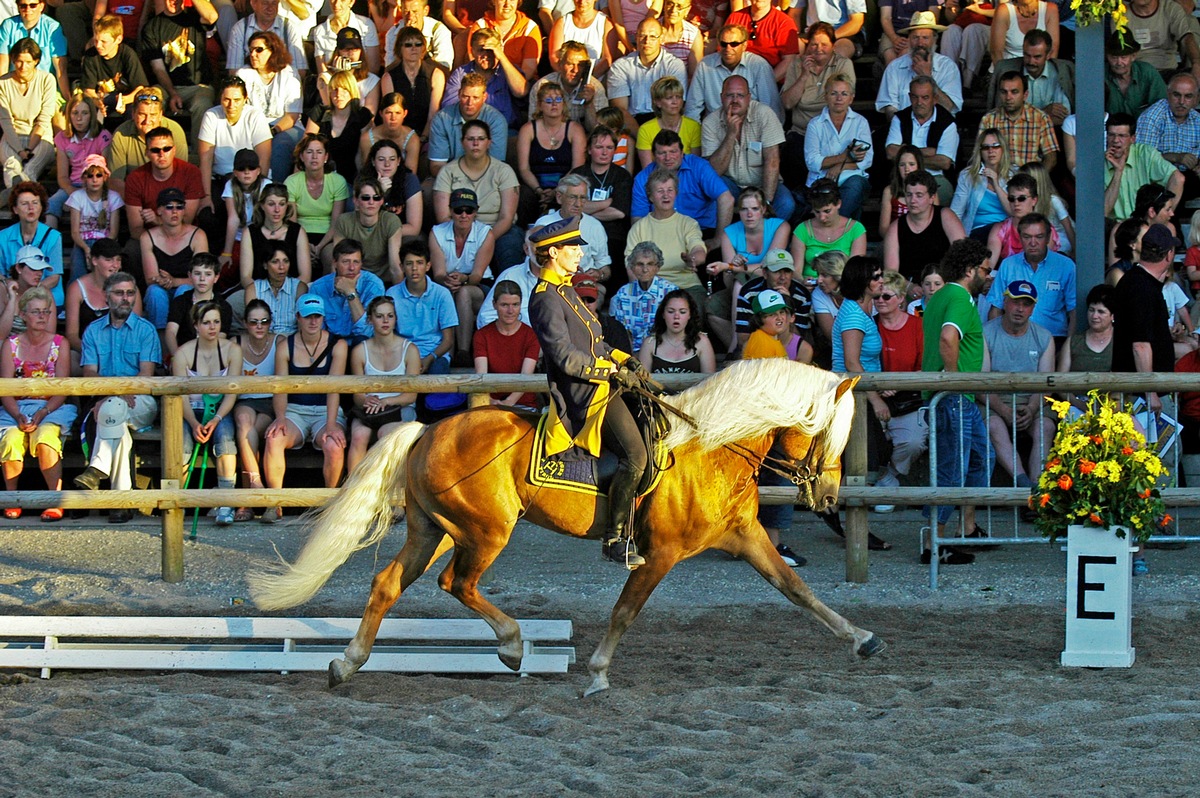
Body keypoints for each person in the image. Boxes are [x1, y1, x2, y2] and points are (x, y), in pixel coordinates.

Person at [527, 216, 648, 568]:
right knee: (636, 455)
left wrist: (625, 360)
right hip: (583, 396)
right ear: (552, 252)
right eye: (573, 248)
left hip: (601, 383)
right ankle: (615, 537)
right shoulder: (545, 299)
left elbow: (595, 342)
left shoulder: (566, 290)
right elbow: (564, 357)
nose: (580, 253)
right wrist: (607, 371)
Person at [921, 238, 993, 565]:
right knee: (951, 470)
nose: (988, 277)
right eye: (985, 270)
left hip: (957, 396)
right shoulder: (962, 299)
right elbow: (948, 337)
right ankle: (934, 542)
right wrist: (953, 379)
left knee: (982, 456)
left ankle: (967, 526)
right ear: (969, 270)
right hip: (955, 396)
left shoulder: (940, 296)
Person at [74, 272, 161, 525]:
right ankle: (121, 502)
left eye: (130, 293)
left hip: (141, 401)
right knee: (116, 424)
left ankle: (97, 468)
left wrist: (113, 394)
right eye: (119, 293)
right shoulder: (92, 331)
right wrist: (114, 395)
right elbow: (89, 374)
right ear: (106, 297)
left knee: (111, 409)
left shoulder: (146, 330)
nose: (126, 298)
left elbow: (145, 377)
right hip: (109, 403)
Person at [739, 287, 807, 566]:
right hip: (766, 423)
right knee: (777, 478)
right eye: (770, 314)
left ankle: (766, 543)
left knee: (771, 480)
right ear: (759, 318)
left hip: (766, 422)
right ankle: (771, 546)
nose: (777, 318)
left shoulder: (767, 341)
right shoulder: (762, 343)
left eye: (781, 312)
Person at [263, 294, 349, 512]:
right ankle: (275, 502)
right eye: (308, 316)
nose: (313, 321)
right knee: (274, 439)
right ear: (298, 318)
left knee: (334, 445)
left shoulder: (337, 344)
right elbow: (280, 386)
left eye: (317, 316)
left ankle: (330, 504)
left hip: (325, 410)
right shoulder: (286, 345)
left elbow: (334, 387)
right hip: (295, 410)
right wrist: (280, 417)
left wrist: (331, 424)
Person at [0, 287, 76, 522]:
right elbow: (5, 388)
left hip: (52, 405)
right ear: (23, 315)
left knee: (45, 437)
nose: (42, 316)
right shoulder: (10, 344)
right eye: (36, 312)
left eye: (46, 312)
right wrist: (18, 414)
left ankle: (54, 499)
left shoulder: (59, 343)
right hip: (16, 406)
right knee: (11, 438)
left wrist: (44, 411)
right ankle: (12, 499)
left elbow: (61, 389)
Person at [173, 300, 243, 526]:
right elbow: (180, 396)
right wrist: (193, 423)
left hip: (221, 409)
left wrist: (216, 419)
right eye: (206, 323)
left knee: (225, 439)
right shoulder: (183, 354)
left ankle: (226, 501)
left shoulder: (232, 350)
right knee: (182, 445)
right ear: (195, 325)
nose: (212, 327)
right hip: (189, 411)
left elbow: (232, 392)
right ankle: (178, 501)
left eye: (216, 322)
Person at [982, 279, 1055, 490]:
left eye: (1026, 304)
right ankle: (1023, 485)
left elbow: (1046, 383)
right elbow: (980, 383)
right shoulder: (985, 333)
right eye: (1015, 302)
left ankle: (1038, 487)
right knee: (993, 425)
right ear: (1005, 302)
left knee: (1046, 426)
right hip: (995, 400)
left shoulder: (1044, 337)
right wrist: (1003, 410)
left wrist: (1032, 408)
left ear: (1033, 308)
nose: (1019, 308)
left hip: (1031, 401)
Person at [432, 119, 523, 271]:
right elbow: (443, 217)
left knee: (510, 244)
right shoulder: (448, 172)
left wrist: (484, 240)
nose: (476, 143)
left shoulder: (503, 171)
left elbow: (507, 217)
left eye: (481, 139)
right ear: (462, 142)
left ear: (489, 143)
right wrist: (469, 239)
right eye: (470, 139)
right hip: (459, 230)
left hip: (497, 229)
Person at [872, 269, 928, 513]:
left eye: (887, 296)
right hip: (873, 395)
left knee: (914, 442)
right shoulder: (869, 325)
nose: (880, 301)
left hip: (909, 398)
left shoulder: (918, 326)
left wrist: (897, 383)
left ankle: (889, 477)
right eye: (877, 297)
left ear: (901, 299)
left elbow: (925, 368)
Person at [701, 75, 792, 223]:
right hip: (732, 185)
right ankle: (734, 239)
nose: (735, 100)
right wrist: (730, 134)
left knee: (786, 203)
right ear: (721, 97)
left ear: (749, 97)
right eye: (730, 95)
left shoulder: (764, 114)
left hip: (762, 184)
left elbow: (773, 160)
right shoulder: (710, 123)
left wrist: (766, 202)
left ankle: (764, 239)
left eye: (740, 95)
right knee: (713, 192)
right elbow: (714, 171)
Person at [347, 296, 421, 473]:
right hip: (369, 410)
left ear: (396, 319)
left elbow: (411, 396)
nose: (385, 321)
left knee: (386, 434)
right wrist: (367, 400)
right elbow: (357, 395)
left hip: (400, 408)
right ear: (370, 319)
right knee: (359, 435)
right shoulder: (359, 351)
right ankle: (352, 490)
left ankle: (388, 492)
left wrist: (386, 401)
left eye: (390, 316)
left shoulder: (410, 350)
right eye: (379, 316)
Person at [779, 22, 854, 188]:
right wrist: (804, 76)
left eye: (824, 44)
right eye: (814, 44)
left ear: (833, 46)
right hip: (802, 132)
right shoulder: (797, 65)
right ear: (807, 45)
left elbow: (843, 100)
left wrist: (807, 101)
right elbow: (788, 103)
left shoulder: (843, 64)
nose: (818, 49)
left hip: (832, 133)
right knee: (790, 153)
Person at [386, 240, 458, 403]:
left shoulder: (442, 294)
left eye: (419, 263)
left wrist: (429, 358)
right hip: (403, 353)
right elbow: (389, 333)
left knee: (438, 378)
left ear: (428, 266)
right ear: (402, 266)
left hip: (435, 354)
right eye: (409, 263)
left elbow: (448, 340)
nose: (414, 268)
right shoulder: (392, 294)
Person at [626, 169, 707, 311]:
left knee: (693, 310)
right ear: (650, 197)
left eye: (670, 190)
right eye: (660, 191)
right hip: (652, 288)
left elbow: (698, 249)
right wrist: (642, 293)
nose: (666, 195)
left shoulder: (688, 223)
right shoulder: (639, 228)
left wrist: (693, 259)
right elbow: (631, 265)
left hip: (687, 287)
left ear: (676, 193)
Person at [986, 212, 1076, 341]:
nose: (1033, 243)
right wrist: (996, 342)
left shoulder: (1066, 266)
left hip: (1054, 337)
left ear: (1048, 237)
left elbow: (1074, 312)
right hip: (1013, 337)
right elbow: (996, 308)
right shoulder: (1008, 265)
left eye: (1039, 237)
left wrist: (1067, 348)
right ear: (1020, 237)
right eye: (1027, 237)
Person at [141, 0, 218, 145]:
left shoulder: (195, 17)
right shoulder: (152, 27)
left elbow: (212, 17)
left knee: (203, 104)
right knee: (150, 100)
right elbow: (158, 68)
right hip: (165, 86)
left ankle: (198, 155)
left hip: (198, 87)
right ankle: (155, 149)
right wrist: (172, 93)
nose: (174, 1)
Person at [430, 187, 495, 358]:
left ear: (476, 213)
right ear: (451, 211)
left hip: (478, 285)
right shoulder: (437, 232)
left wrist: (463, 279)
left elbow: (477, 275)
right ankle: (447, 354)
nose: (463, 215)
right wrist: (449, 280)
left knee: (464, 292)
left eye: (469, 210)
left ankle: (463, 352)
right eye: (459, 210)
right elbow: (438, 274)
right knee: (446, 293)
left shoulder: (485, 233)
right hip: (447, 282)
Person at [231, 298, 279, 521]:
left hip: (271, 401)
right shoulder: (236, 343)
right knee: (244, 423)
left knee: (248, 435)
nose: (259, 326)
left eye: (264, 321)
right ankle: (256, 484)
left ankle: (247, 501)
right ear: (245, 323)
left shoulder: (280, 342)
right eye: (253, 322)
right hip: (245, 400)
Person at [632, 130, 733, 235]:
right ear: (653, 155)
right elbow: (638, 218)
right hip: (662, 234)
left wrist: (719, 239)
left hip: (702, 231)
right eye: (662, 153)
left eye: (673, 152)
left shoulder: (699, 166)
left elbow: (727, 199)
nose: (668, 158)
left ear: (682, 153)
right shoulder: (643, 178)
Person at [571, 125, 634, 294]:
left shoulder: (622, 175)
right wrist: (607, 202)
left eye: (609, 148)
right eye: (599, 147)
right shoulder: (577, 174)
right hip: (580, 231)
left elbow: (619, 212)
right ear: (590, 150)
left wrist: (584, 208)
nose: (605, 152)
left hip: (614, 234)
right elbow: (570, 207)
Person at [237, 30, 304, 182]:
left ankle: (274, 190)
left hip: (286, 127)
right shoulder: (243, 74)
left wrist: (272, 132)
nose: (253, 54)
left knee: (280, 145)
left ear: (273, 51)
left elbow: (291, 116)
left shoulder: (289, 74)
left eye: (259, 50)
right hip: (253, 127)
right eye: (251, 50)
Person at [803, 74, 872, 220]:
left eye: (844, 94)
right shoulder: (815, 124)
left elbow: (866, 160)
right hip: (821, 179)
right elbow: (813, 162)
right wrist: (844, 158)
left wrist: (841, 167)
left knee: (855, 187)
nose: (839, 98)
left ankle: (833, 230)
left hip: (852, 179)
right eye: (834, 93)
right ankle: (844, 235)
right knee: (851, 205)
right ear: (826, 96)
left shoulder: (860, 122)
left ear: (851, 98)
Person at [684, 21, 781, 122]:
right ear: (718, 44)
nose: (728, 48)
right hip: (715, 129)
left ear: (744, 45)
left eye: (734, 44)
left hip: (751, 128)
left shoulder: (759, 65)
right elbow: (692, 108)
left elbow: (771, 108)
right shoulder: (705, 65)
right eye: (723, 44)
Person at [884, 75, 959, 205]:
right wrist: (925, 152)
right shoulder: (900, 118)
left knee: (943, 191)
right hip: (903, 177)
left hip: (935, 178)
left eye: (925, 97)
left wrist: (906, 155)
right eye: (915, 97)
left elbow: (944, 162)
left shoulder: (947, 122)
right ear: (909, 97)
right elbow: (890, 152)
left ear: (935, 99)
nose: (919, 102)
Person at [517, 82, 588, 218]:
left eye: (558, 100)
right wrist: (539, 190)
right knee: (522, 194)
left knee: (572, 192)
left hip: (565, 184)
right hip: (535, 186)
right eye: (549, 100)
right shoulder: (528, 129)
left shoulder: (575, 130)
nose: (554, 104)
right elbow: (524, 168)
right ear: (539, 105)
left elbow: (577, 168)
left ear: (564, 104)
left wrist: (557, 191)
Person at [884, 170, 965, 288]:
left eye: (919, 195)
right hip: (910, 289)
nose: (912, 200)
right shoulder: (896, 227)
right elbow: (891, 273)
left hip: (944, 285)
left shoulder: (945, 216)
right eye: (909, 194)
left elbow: (962, 254)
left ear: (932, 197)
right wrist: (910, 287)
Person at [141, 187, 208, 330]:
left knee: (184, 290)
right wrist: (163, 281)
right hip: (162, 288)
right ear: (158, 210)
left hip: (188, 287)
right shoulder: (148, 237)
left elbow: (203, 277)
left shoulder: (197, 235)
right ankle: (161, 340)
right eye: (169, 207)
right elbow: (150, 278)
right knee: (154, 292)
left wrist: (174, 281)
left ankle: (184, 334)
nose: (175, 211)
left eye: (179, 207)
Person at [875, 12, 963, 119]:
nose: (920, 43)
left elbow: (948, 107)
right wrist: (905, 127)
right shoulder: (895, 67)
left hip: (938, 129)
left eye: (925, 38)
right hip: (904, 129)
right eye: (915, 37)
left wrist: (927, 76)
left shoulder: (948, 67)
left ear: (935, 40)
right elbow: (890, 107)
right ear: (909, 40)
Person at [64, 238, 141, 356]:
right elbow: (72, 335)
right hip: (87, 351)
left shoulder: (130, 288)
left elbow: (135, 328)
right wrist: (94, 353)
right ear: (94, 260)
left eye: (118, 260)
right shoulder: (76, 289)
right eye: (109, 260)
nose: (115, 265)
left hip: (123, 351)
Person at [607, 16, 688, 128]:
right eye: (642, 36)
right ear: (636, 37)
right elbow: (621, 111)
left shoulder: (674, 65)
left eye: (653, 36)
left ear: (661, 38)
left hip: (664, 122)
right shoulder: (620, 67)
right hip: (632, 124)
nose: (647, 41)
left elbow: (675, 106)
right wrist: (642, 137)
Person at [1103, 113, 1184, 222]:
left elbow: (1178, 179)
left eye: (1122, 136)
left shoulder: (1145, 154)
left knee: (1170, 229)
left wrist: (1161, 219)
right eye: (1111, 135)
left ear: (1133, 138)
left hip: (1145, 224)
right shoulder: (1099, 164)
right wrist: (1118, 171)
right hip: (1116, 227)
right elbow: (1104, 211)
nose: (1116, 140)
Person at [473, 279, 541, 411]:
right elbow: (481, 376)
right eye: (504, 305)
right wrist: (491, 400)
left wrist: (509, 402)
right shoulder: (482, 335)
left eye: (515, 304)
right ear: (494, 305)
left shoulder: (531, 336)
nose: (510, 310)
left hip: (523, 404)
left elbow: (526, 376)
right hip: (490, 402)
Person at [733, 247, 815, 354]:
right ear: (765, 273)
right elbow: (743, 339)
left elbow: (798, 340)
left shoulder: (801, 295)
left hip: (789, 352)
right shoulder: (749, 292)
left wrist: (787, 304)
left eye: (787, 271)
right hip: (758, 350)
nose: (783, 277)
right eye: (776, 271)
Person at [0, 37, 56, 191]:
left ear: (36, 61)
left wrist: (29, 149)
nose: (23, 66)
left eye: (28, 62)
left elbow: (44, 119)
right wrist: (19, 150)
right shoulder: (3, 83)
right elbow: (5, 121)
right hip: (13, 136)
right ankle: (24, 195)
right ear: (12, 60)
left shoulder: (47, 80)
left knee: (32, 167)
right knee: (11, 166)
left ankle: (16, 196)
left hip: (39, 136)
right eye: (19, 61)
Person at [48, 94, 112, 230]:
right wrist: (75, 194)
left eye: (84, 113)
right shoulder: (62, 138)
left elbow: (106, 174)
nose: (79, 118)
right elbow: (62, 177)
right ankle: (50, 244)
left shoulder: (103, 136)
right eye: (75, 113)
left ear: (91, 116)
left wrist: (85, 195)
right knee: (52, 203)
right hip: (73, 185)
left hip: (96, 183)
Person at [428, 72, 510, 176]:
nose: (470, 103)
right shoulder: (441, 119)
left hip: (486, 179)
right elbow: (437, 165)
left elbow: (496, 166)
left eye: (476, 97)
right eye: (465, 96)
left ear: (484, 97)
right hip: (450, 178)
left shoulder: (496, 121)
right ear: (458, 94)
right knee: (427, 188)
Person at [988, 27, 1073, 126]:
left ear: (1048, 55)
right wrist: (1045, 112)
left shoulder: (1062, 71)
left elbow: (1062, 118)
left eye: (1037, 57)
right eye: (1027, 55)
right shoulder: (1005, 69)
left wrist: (1023, 118)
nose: (1031, 61)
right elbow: (1003, 117)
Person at [1137, 73, 1200, 204]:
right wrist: (1176, 157)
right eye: (1176, 95)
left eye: (1188, 96)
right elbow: (1143, 161)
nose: (1181, 102)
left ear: (1196, 99)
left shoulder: (1197, 119)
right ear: (1168, 93)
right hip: (1157, 180)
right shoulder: (1152, 117)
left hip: (1189, 179)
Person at [444, 27, 523, 132]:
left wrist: (502, 57)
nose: (486, 55)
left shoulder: (510, 71)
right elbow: (449, 108)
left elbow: (521, 92)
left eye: (490, 50)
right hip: (468, 132)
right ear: (472, 51)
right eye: (481, 50)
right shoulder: (460, 74)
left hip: (506, 131)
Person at [309, 239, 386, 344]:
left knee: (361, 340)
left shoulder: (373, 285)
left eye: (356, 262)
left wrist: (350, 292)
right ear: (335, 263)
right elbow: (317, 332)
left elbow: (366, 333)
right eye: (346, 262)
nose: (352, 268)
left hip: (362, 347)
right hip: (330, 345)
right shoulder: (318, 288)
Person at [305, 70, 375, 186]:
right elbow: (306, 148)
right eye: (334, 89)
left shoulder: (363, 116)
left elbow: (363, 155)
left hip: (351, 179)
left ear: (352, 91)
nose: (338, 94)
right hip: (320, 177)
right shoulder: (319, 112)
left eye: (344, 90)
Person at [284, 133, 349, 257]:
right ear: (302, 157)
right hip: (299, 235)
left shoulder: (338, 181)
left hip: (328, 237)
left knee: (330, 257)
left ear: (325, 157)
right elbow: (292, 223)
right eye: (309, 152)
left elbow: (337, 223)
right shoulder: (291, 182)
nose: (314, 157)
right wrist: (305, 245)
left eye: (319, 152)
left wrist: (319, 247)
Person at [80, 14, 148, 132]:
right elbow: (88, 90)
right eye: (96, 40)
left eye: (104, 42)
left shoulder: (128, 55)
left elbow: (140, 88)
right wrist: (97, 101)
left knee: (133, 111)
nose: (98, 45)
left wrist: (123, 100)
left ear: (118, 39)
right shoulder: (91, 56)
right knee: (93, 111)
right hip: (102, 98)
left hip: (127, 98)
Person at [380, 25, 446, 146]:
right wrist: (407, 141)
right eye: (408, 45)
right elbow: (391, 115)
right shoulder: (388, 78)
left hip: (429, 136)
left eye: (418, 44)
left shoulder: (436, 75)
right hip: (399, 137)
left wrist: (423, 138)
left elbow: (433, 114)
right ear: (399, 49)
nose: (414, 48)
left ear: (423, 48)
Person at [980, 71, 1058, 172]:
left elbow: (1051, 158)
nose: (1008, 97)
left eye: (1014, 92)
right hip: (998, 178)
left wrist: (1037, 180)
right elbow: (980, 154)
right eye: (1004, 92)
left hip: (1030, 180)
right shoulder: (988, 119)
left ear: (1025, 95)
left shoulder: (1041, 118)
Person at [0, 182, 63, 309]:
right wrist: (10, 285)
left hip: (45, 294)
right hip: (13, 294)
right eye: (24, 204)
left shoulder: (54, 236)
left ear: (41, 207)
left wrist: (30, 294)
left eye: (35, 203)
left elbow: (54, 277)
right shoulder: (3, 236)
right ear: (15, 209)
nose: (31, 207)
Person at [790, 179, 867, 281]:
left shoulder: (856, 229)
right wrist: (803, 283)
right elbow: (796, 271)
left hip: (843, 287)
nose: (822, 217)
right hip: (812, 287)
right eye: (817, 212)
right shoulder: (802, 229)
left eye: (827, 211)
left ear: (838, 203)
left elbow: (855, 270)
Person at [330, 176, 404, 281]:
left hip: (384, 280)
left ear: (382, 201)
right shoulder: (344, 221)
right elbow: (337, 263)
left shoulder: (391, 221)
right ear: (355, 200)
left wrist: (397, 295)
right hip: (354, 278)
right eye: (365, 198)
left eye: (376, 197)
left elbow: (395, 267)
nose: (371, 202)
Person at [241, 183, 312, 290]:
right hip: (258, 291)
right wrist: (264, 292)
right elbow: (246, 277)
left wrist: (286, 292)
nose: (277, 210)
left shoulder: (297, 231)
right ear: (262, 206)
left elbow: (305, 276)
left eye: (282, 204)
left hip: (291, 290)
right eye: (271, 204)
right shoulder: (250, 232)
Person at [610, 241, 678, 351]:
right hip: (633, 353)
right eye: (640, 264)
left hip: (664, 352)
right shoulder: (623, 294)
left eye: (650, 264)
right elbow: (623, 333)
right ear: (632, 267)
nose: (645, 269)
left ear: (658, 267)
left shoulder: (670, 292)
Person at [527, 39, 609, 131]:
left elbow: (599, 132)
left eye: (581, 65)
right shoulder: (542, 86)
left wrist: (589, 104)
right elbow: (533, 127)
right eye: (570, 64)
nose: (575, 70)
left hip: (585, 141)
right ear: (560, 64)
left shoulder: (596, 88)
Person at [64, 155, 122, 284]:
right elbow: (75, 232)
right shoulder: (77, 197)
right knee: (77, 276)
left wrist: (99, 250)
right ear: (84, 178)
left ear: (105, 177)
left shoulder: (114, 197)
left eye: (99, 175)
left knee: (109, 278)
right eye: (90, 176)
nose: (94, 180)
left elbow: (113, 233)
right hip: (82, 243)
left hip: (106, 243)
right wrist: (86, 249)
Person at [165, 253, 234, 357]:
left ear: (216, 277)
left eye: (208, 274)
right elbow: (171, 332)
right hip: (183, 354)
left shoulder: (224, 306)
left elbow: (220, 337)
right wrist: (177, 357)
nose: (202, 279)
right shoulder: (180, 301)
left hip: (211, 356)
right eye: (197, 273)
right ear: (190, 276)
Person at [951, 127, 1013, 239]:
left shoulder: (1013, 175)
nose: (991, 151)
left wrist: (996, 184)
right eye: (985, 147)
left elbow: (1014, 211)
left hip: (1006, 234)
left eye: (996, 145)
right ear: (980, 151)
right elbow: (956, 212)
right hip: (978, 233)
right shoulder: (968, 175)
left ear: (1003, 148)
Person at [0, 0, 68, 100]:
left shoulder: (52, 27)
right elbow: (3, 65)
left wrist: (67, 98)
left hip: (44, 88)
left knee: (59, 115)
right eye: (23, 6)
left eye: (33, 5)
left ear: (41, 6)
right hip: (15, 86)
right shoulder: (7, 25)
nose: (28, 9)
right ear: (18, 7)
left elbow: (60, 68)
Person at [637, 287, 715, 374]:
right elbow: (641, 383)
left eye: (682, 312)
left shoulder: (702, 342)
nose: (676, 316)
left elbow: (710, 381)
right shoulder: (650, 343)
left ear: (690, 315)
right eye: (671, 311)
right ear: (663, 314)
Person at [225, 0, 308, 79]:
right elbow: (234, 71)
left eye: (274, 3)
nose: (270, 8)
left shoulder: (290, 28)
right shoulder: (240, 29)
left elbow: (300, 70)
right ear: (253, 4)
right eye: (265, 3)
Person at [361, 137, 422, 236]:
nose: (387, 164)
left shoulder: (409, 180)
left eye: (392, 159)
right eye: (381, 159)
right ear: (373, 161)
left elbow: (414, 228)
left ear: (398, 161)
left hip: (400, 233)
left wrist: (385, 232)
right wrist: (378, 192)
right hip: (370, 236)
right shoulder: (363, 181)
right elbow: (362, 222)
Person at [636, 76, 699, 168]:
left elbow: (695, 165)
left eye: (678, 97)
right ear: (657, 102)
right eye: (669, 98)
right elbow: (647, 169)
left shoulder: (694, 126)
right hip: (657, 178)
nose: (675, 102)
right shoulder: (645, 130)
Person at [245, 242, 306, 335]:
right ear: (265, 265)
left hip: (291, 342)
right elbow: (252, 325)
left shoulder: (299, 288)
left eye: (286, 261)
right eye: (275, 261)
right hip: (263, 340)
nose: (282, 267)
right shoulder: (253, 289)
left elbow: (303, 326)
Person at [358, 92, 420, 178]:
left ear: (405, 114)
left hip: (402, 184)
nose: (393, 118)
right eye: (388, 112)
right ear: (381, 113)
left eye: (398, 113)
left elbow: (411, 175)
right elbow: (367, 171)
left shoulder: (412, 139)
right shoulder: (367, 138)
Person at [312, 0, 382, 76]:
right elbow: (322, 72)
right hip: (334, 85)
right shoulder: (320, 31)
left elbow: (373, 67)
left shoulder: (366, 25)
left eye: (342, 0)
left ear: (351, 2)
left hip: (364, 82)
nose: (336, 4)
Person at [725, 0, 798, 71]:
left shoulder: (784, 23)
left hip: (771, 74)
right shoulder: (735, 18)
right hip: (737, 72)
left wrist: (766, 80)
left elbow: (789, 60)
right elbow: (723, 50)